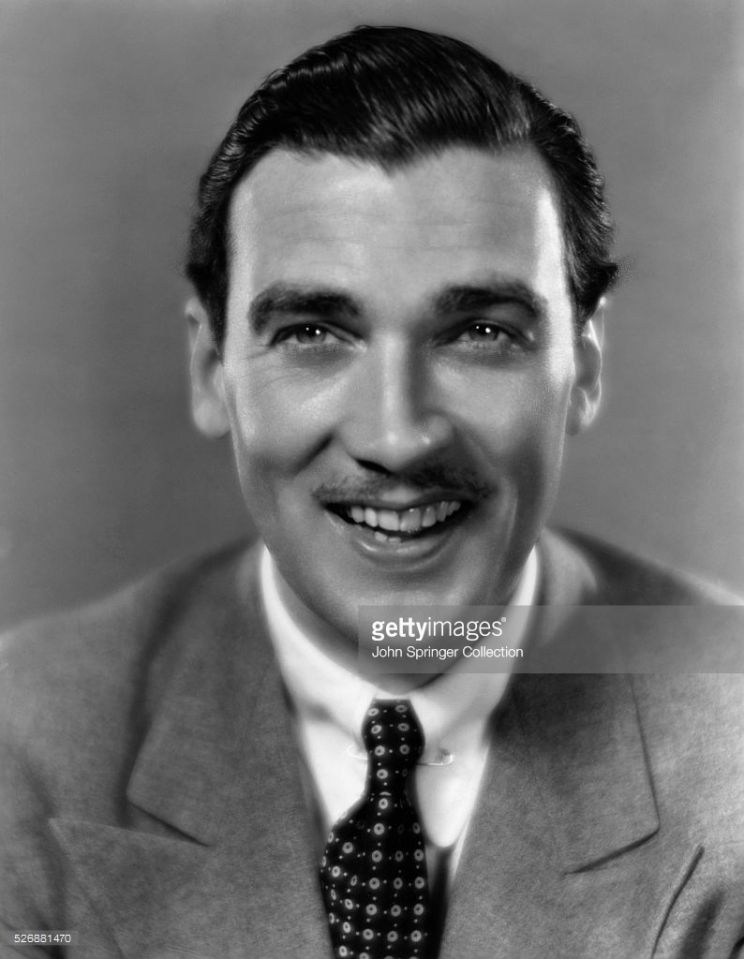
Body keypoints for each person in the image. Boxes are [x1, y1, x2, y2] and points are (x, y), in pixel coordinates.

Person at [1, 24, 743, 959]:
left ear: (585, 367)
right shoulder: (22, 740)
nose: (397, 437)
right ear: (211, 367)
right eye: (314, 332)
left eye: (482, 332)